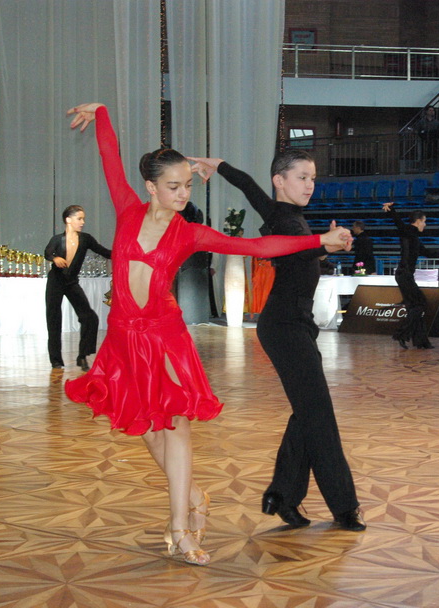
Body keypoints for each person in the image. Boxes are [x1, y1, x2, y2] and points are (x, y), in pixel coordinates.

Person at [62, 103, 355, 566]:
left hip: (164, 335)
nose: (183, 194)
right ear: (151, 187)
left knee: (175, 425)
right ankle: (194, 494)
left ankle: (180, 526)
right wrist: (100, 112)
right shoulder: (126, 209)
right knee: (146, 429)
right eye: (173, 186)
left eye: (188, 185)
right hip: (123, 337)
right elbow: (109, 156)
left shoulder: (189, 233)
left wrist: (318, 240)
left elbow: (257, 245)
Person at [189, 152, 366, 533]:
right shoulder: (283, 220)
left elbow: (250, 189)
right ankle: (344, 506)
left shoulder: (290, 217)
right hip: (284, 325)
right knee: (318, 413)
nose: (310, 184)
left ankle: (282, 495)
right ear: (279, 181)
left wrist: (219, 166)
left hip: (297, 324)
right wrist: (324, 243)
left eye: (313, 178)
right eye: (302, 177)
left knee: (308, 411)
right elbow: (292, 242)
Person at [43, 205, 111, 371]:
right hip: (55, 282)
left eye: (83, 219)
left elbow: (103, 251)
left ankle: (83, 356)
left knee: (90, 318)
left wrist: (126, 251)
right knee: (54, 320)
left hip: (71, 282)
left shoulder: (86, 239)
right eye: (79, 218)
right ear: (68, 220)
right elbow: (47, 252)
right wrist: (55, 258)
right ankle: (56, 360)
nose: (82, 222)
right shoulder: (57, 239)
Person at [382, 202, 434, 349]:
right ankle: (401, 334)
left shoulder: (415, 238)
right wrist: (391, 209)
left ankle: (421, 341)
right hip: (404, 274)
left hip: (405, 275)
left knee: (414, 307)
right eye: (424, 221)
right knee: (420, 303)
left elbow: (427, 252)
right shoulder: (408, 231)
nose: (425, 224)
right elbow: (398, 223)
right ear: (418, 221)